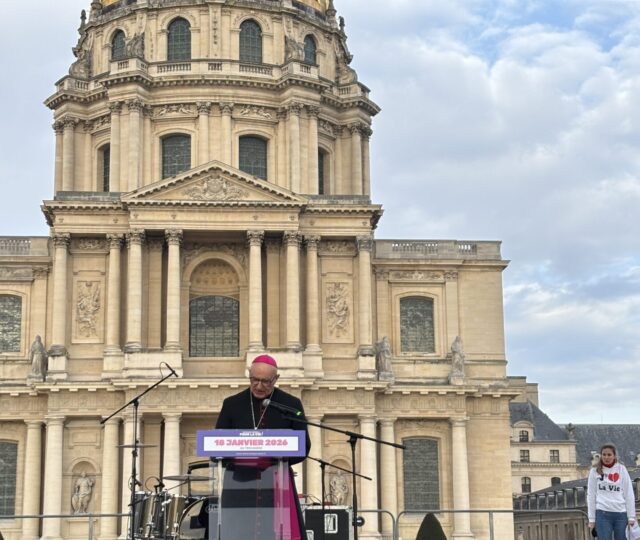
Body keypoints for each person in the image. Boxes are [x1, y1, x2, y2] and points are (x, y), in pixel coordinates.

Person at [215, 354, 311, 540]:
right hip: (239, 484)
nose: (258, 386)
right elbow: (216, 446)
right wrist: (243, 456)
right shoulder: (232, 404)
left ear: (276, 379)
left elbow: (304, 447)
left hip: (276, 482)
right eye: (254, 380)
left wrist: (272, 458)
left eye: (265, 382)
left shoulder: (291, 405)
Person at [587, 443, 636, 539]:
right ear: (601, 456)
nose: (606, 457)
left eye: (609, 455)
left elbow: (629, 493)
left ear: (614, 456)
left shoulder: (621, 469)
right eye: (604, 454)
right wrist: (591, 518)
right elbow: (591, 495)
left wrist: (631, 516)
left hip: (621, 513)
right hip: (602, 513)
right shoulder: (594, 471)